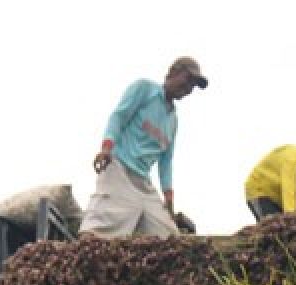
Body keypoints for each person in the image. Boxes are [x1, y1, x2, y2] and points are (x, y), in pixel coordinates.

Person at [80, 56, 208, 237]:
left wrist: (169, 197)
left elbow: (166, 160)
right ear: (172, 73)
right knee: (101, 227)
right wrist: (106, 147)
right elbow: (119, 116)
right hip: (119, 168)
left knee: (169, 236)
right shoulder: (144, 89)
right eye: (187, 80)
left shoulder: (173, 120)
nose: (188, 89)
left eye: (193, 86)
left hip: (143, 183)